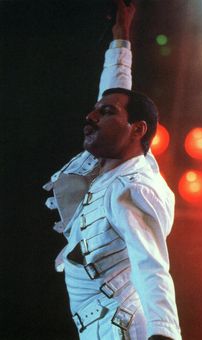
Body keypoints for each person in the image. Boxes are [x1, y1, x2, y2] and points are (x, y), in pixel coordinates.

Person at [43, 1, 182, 339]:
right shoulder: (108, 170)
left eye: (104, 113)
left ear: (137, 129)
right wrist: (121, 39)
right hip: (99, 327)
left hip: (123, 327)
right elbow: (114, 91)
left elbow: (152, 265)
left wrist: (163, 333)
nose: (90, 117)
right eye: (95, 111)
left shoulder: (131, 188)